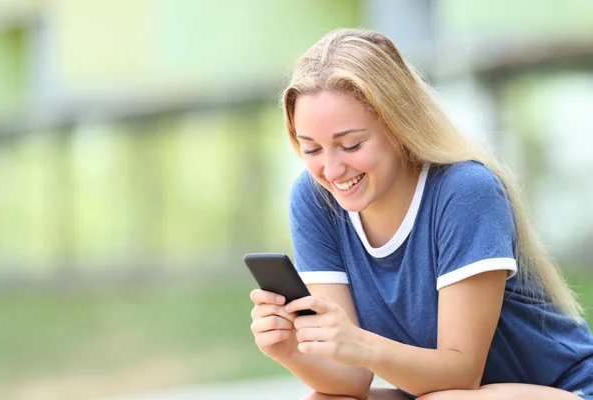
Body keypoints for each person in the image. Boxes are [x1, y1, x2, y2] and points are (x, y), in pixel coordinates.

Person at [249, 28, 593, 400]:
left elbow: (460, 376)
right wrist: (290, 352)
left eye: (351, 145)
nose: (331, 171)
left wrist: (362, 344)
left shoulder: (464, 190)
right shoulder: (316, 198)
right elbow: (350, 380)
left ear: (398, 126)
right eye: (311, 149)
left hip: (565, 390)